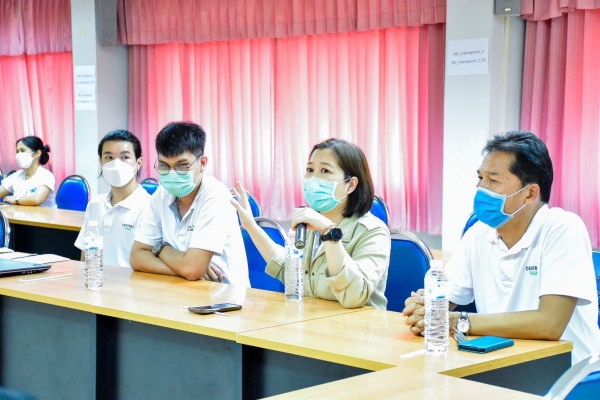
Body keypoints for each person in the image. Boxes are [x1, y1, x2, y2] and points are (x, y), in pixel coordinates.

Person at [403, 130, 600, 364]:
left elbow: (550, 324)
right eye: (480, 178)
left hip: (568, 376)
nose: (481, 189)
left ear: (530, 193)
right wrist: (424, 307)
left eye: (493, 181)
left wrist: (456, 321)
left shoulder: (563, 228)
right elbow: (444, 300)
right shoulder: (478, 234)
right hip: (502, 364)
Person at [232, 138, 390, 308]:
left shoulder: (373, 231)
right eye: (310, 169)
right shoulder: (309, 226)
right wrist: (251, 226)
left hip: (356, 330)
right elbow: (290, 271)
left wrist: (328, 232)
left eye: (325, 170)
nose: (314, 178)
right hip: (312, 324)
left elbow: (354, 296)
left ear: (351, 185)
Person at [130, 121, 249, 286]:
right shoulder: (161, 195)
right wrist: (184, 269)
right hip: (180, 290)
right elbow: (137, 258)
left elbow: (192, 269)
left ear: (202, 163)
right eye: (164, 165)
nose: (172, 174)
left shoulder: (216, 196)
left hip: (223, 298)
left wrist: (160, 249)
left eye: (182, 165)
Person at [74, 130, 151, 268]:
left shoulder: (149, 207)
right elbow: (85, 255)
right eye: (109, 158)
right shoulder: (95, 205)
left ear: (139, 163)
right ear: (100, 161)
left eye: (125, 157)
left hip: (132, 287)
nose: (116, 164)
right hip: (97, 284)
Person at [0, 136, 56, 207]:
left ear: (37, 153)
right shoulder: (17, 175)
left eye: (22, 150)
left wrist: (16, 200)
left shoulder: (46, 175)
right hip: (20, 216)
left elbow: (37, 199)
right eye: (17, 151)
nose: (18, 155)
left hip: (43, 217)